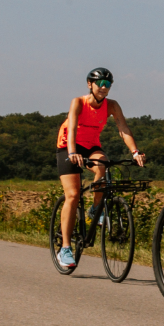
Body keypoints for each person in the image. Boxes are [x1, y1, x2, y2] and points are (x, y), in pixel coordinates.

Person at [56, 68, 145, 270]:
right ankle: (65, 248)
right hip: (68, 146)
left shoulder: (111, 106)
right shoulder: (78, 102)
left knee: (103, 166)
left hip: (90, 146)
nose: (104, 88)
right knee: (73, 195)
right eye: (100, 84)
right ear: (90, 84)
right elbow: (71, 128)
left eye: (108, 85)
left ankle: (96, 208)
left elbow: (123, 128)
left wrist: (135, 152)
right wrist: (71, 152)